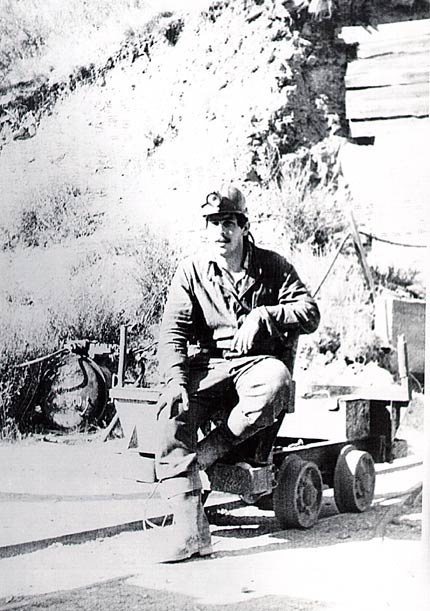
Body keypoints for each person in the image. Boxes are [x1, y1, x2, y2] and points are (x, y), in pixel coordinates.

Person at [153, 184, 320, 562]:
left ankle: (211, 450)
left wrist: (266, 315)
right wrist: (176, 380)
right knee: (170, 413)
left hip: (255, 364)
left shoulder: (272, 266)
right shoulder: (192, 271)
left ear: (244, 226)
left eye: (228, 223)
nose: (220, 232)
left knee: (277, 383)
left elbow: (310, 313)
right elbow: (173, 331)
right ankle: (190, 531)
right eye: (213, 223)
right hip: (209, 367)